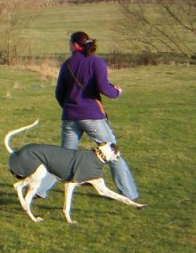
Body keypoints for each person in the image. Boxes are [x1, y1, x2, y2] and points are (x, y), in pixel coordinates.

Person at [36, 31, 140, 201]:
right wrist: (117, 92)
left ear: (75, 45)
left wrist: (70, 107)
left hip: (70, 117)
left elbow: (59, 93)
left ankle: (40, 190)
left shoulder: (67, 64)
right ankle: (129, 193)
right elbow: (104, 87)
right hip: (92, 117)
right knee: (113, 153)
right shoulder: (96, 62)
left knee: (63, 158)